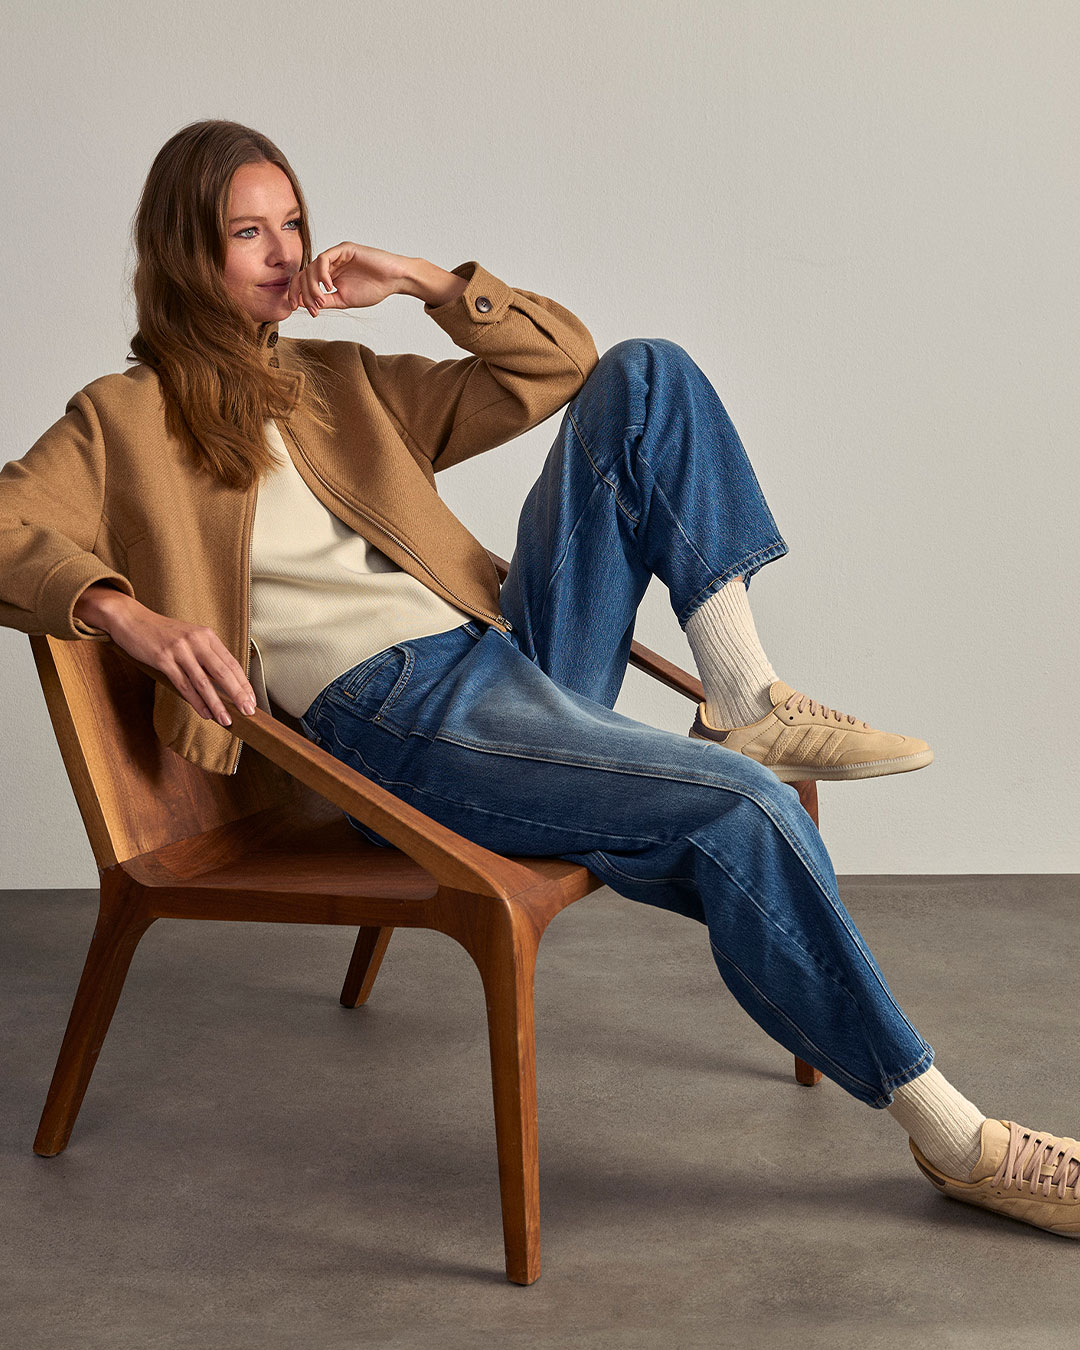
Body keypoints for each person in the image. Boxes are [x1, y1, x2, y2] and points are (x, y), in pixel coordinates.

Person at [2, 118, 1077, 1240]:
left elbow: (559, 364)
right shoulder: (119, 421)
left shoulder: (338, 379)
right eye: (246, 233)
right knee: (742, 808)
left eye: (293, 225)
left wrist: (422, 280)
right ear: (186, 252)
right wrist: (120, 612)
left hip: (504, 658)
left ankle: (746, 694)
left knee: (646, 374)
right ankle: (963, 1142)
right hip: (396, 721)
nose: (282, 253)